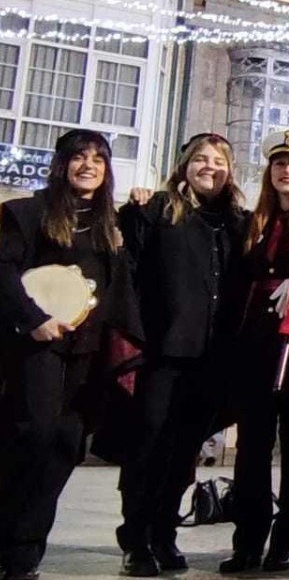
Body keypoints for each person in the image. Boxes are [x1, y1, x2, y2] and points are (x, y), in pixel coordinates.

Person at [0, 130, 139, 580]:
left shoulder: (109, 225)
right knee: (32, 435)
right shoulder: (25, 213)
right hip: (36, 346)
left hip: (88, 352)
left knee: (64, 446)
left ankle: (24, 552)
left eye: (98, 159)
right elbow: (2, 269)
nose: (89, 165)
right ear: (61, 164)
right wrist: (33, 317)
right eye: (79, 157)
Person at [116, 133, 248, 576]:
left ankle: (164, 533)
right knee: (149, 446)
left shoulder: (238, 222)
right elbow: (126, 270)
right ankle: (136, 538)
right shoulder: (155, 211)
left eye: (219, 161)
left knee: (182, 453)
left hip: (212, 358)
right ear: (185, 165)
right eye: (201, 160)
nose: (210, 167)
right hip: (163, 352)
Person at [218, 128, 289, 574]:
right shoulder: (252, 222)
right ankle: (248, 539)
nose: (288, 170)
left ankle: (287, 539)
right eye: (280, 163)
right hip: (257, 344)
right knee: (252, 449)